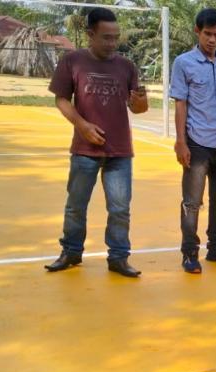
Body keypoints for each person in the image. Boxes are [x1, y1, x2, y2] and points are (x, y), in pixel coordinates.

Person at [45, 7, 147, 278]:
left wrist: (140, 101)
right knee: (76, 205)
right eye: (106, 37)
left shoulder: (126, 66)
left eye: (116, 37)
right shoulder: (73, 61)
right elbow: (61, 99)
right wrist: (82, 125)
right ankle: (71, 252)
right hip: (85, 150)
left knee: (120, 209)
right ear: (90, 34)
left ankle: (118, 257)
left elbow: (138, 108)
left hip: (120, 152)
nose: (112, 43)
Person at [170, 8, 216, 274]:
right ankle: (190, 252)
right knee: (192, 202)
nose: (212, 40)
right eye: (208, 34)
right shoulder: (184, 63)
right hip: (197, 143)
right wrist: (181, 142)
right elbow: (181, 104)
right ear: (197, 32)